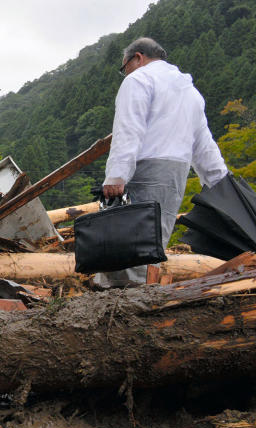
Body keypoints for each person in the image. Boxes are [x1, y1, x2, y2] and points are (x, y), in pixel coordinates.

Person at [98, 37, 228, 287]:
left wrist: (116, 175)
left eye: (124, 67)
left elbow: (129, 129)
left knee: (129, 237)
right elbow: (203, 143)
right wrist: (219, 181)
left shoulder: (138, 80)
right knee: (154, 239)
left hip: (146, 169)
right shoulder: (189, 91)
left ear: (137, 57)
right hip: (176, 174)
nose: (125, 73)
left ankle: (122, 300)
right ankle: (141, 295)